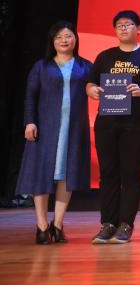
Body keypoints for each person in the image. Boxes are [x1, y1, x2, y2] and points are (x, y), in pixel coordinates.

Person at [86, 10, 140, 244]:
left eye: (128, 24)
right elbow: (90, 84)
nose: (123, 28)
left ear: (138, 29)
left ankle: (125, 224)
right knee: (108, 172)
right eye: (119, 25)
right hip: (107, 123)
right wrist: (93, 91)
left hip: (135, 124)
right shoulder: (105, 56)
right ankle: (107, 223)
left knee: (130, 173)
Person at [17, 21, 92, 244]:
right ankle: (41, 226)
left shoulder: (86, 66)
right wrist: (30, 122)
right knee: (41, 173)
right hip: (45, 128)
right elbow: (30, 96)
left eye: (68, 36)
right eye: (59, 37)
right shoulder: (41, 67)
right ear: (52, 41)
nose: (64, 40)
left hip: (73, 129)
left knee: (66, 175)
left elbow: (97, 89)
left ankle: (57, 225)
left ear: (75, 39)